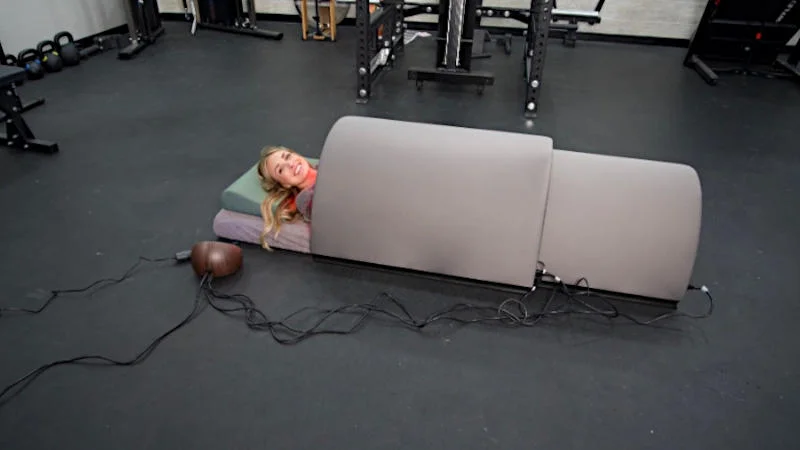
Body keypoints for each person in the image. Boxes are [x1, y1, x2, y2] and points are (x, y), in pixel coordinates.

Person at [256, 146, 317, 249]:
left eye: (287, 156)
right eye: (280, 170)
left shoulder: (325, 164)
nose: (290, 164)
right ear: (284, 184)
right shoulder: (305, 199)